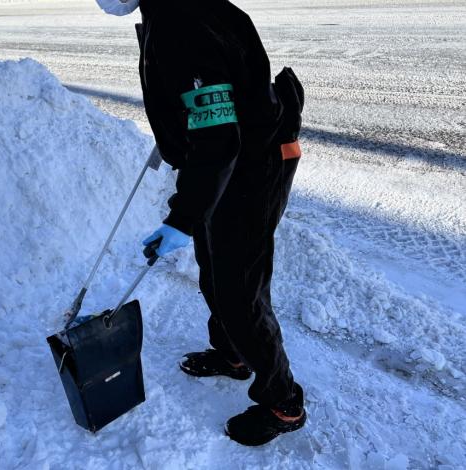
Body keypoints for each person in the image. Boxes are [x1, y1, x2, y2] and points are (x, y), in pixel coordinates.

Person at [96, 0, 306, 446]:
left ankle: (282, 402)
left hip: (251, 166)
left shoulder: (179, 20)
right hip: (233, 160)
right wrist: (174, 136)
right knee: (214, 268)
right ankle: (233, 355)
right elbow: (212, 97)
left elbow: (218, 135)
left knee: (238, 290)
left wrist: (183, 217)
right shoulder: (175, 8)